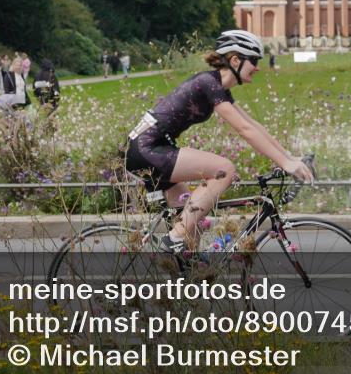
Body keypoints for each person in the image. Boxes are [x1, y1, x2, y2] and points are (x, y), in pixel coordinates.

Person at [125, 29, 314, 256]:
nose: (257, 67)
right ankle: (174, 237)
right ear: (235, 60)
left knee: (192, 234)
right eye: (253, 60)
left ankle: (190, 283)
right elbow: (244, 130)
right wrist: (285, 163)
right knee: (224, 170)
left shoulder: (218, 87)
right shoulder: (209, 83)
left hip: (151, 149)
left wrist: (289, 158)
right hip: (148, 149)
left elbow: (254, 126)